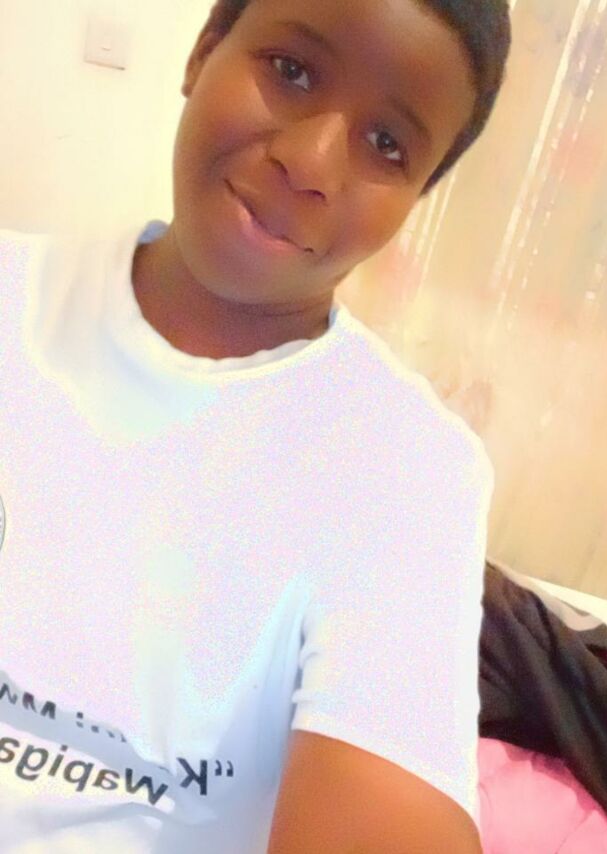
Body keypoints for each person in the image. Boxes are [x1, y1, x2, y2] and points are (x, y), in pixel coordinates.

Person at [0, 0, 511, 850]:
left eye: (387, 144)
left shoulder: (410, 470)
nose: (310, 163)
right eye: (292, 70)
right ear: (204, 52)